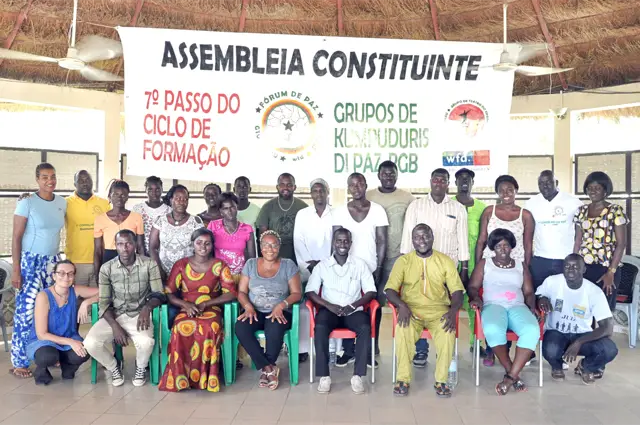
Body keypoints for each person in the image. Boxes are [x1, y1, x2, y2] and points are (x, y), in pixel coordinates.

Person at [400, 168, 468, 367]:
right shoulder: (416, 206)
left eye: (443, 180)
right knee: (418, 307)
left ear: (448, 184)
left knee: (445, 311)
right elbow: (407, 241)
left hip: (447, 272)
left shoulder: (458, 209)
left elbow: (463, 242)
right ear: (430, 182)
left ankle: (445, 353)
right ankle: (421, 350)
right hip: (419, 269)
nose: (439, 183)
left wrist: (463, 272)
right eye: (436, 179)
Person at [385, 224, 464, 397]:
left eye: (425, 236)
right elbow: (390, 290)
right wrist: (401, 306)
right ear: (412, 240)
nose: (422, 240)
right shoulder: (403, 261)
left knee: (447, 333)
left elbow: (457, 291)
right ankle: (402, 379)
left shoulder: (445, 260)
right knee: (403, 330)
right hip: (411, 311)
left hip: (439, 311)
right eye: (417, 237)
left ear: (432, 237)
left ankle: (441, 381)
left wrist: (453, 311)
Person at [158, 228, 237, 392]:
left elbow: (231, 293)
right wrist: (185, 305)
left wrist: (206, 304)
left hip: (211, 308)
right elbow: (169, 293)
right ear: (192, 244)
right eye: (199, 243)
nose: (203, 247)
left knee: (209, 327)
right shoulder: (181, 265)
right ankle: (182, 377)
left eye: (207, 243)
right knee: (180, 327)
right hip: (186, 308)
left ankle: (204, 377)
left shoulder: (219, 265)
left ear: (212, 245)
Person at [83, 230, 165, 387]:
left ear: (135, 245)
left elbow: (159, 294)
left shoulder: (149, 264)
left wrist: (147, 308)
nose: (125, 248)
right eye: (120, 244)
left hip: (139, 315)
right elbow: (104, 302)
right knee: (90, 343)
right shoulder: (107, 268)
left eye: (128, 244)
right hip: (115, 315)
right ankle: (114, 367)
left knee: (146, 342)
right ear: (115, 246)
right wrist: (115, 326)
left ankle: (140, 368)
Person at [467, 229, 540, 395]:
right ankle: (512, 372)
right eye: (498, 245)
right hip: (493, 305)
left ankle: (510, 378)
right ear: (493, 247)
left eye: (506, 245)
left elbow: (529, 292)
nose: (502, 249)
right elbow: (473, 287)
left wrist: (531, 307)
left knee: (532, 329)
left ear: (512, 246)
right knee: (492, 328)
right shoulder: (485, 263)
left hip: (517, 306)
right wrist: (475, 298)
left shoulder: (521, 265)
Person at [10, 163, 67, 378]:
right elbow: (16, 237)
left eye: (53, 176)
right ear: (37, 179)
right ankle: (20, 361)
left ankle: (49, 354)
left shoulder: (62, 202)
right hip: (30, 262)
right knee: (26, 312)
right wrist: (16, 270)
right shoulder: (27, 203)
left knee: (51, 309)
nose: (50, 181)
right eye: (44, 177)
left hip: (53, 263)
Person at [306, 228, 377, 394]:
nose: (342, 244)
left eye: (346, 241)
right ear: (333, 243)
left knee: (365, 327)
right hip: (330, 310)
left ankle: (358, 376)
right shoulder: (322, 266)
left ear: (351, 243)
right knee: (320, 327)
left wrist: (353, 305)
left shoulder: (360, 265)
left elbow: (371, 291)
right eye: (339, 241)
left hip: (353, 311)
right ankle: (324, 376)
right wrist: (328, 305)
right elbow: (310, 291)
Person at [332, 173, 388, 368]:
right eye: (352, 185)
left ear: (366, 185)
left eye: (360, 184)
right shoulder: (340, 212)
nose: (356, 188)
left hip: (371, 269)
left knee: (373, 309)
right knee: (349, 307)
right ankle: (348, 351)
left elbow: (382, 241)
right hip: (347, 270)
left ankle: (370, 351)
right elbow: (335, 241)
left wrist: (379, 268)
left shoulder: (378, 210)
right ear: (348, 188)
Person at [235, 231, 302, 390]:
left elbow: (297, 293)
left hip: (280, 312)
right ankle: (269, 368)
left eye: (274, 245)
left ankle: (267, 368)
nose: (270, 249)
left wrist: (281, 305)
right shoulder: (251, 264)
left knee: (274, 327)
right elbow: (242, 292)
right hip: (254, 311)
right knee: (241, 327)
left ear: (279, 247)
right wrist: (247, 306)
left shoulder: (288, 265)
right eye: (266, 245)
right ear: (260, 247)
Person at [537, 254, 618, 384]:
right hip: (556, 332)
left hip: (582, 334)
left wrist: (579, 342)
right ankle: (557, 366)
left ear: (583, 269)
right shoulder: (552, 282)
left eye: (575, 266)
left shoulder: (594, 291)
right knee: (550, 350)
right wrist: (542, 299)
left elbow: (607, 328)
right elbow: (539, 295)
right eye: (567, 266)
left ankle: (586, 367)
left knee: (610, 350)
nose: (571, 269)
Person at [366, 161, 415, 355]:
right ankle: (373, 345)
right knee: (375, 304)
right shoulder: (368, 196)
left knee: (405, 303)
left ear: (397, 175)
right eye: (385, 173)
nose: (388, 177)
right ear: (378, 175)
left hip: (399, 258)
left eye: (392, 173)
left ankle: (406, 348)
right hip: (373, 259)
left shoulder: (407, 198)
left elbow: (413, 227)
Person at [26, 260, 97, 385]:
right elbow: (42, 334)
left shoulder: (75, 290)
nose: (66, 277)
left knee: (83, 353)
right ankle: (41, 371)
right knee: (47, 356)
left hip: (68, 336)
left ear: (74, 276)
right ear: (54, 276)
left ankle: (67, 366)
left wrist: (87, 302)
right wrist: (71, 342)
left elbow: (104, 292)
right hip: (44, 341)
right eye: (61, 273)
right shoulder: (44, 296)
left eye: (70, 273)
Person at [573, 171, 628, 310]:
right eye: (590, 188)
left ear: (605, 190)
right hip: (584, 268)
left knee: (603, 311)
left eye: (597, 188)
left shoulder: (615, 211)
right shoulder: (581, 211)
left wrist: (611, 272)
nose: (593, 191)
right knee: (583, 309)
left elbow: (621, 244)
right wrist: (575, 266)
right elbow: (578, 241)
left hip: (606, 268)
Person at [292, 178, 333, 362]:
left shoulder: (336, 213)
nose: (319, 194)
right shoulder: (303, 214)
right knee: (304, 308)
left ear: (327, 192)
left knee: (330, 306)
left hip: (330, 269)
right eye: (315, 191)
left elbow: (337, 241)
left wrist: (325, 265)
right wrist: (310, 264)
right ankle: (302, 349)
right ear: (311, 194)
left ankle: (332, 349)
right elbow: (298, 241)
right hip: (307, 268)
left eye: (322, 190)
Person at [526, 171, 583, 289]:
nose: (545, 186)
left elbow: (580, 231)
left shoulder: (573, 202)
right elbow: (528, 231)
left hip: (565, 259)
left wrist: (576, 255)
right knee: (539, 293)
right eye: (541, 183)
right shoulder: (531, 203)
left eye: (548, 182)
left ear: (556, 182)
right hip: (540, 259)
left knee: (562, 293)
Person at [452, 168, 488, 356]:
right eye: (461, 179)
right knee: (448, 303)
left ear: (473, 183)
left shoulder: (482, 208)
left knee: (475, 302)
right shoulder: (447, 204)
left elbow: (485, 238)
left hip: (475, 262)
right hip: (451, 262)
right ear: (455, 182)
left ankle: (476, 343)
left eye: (468, 179)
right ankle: (448, 344)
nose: (464, 182)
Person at [149, 185, 204, 281]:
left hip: (188, 273)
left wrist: (193, 271)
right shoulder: (160, 221)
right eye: (178, 198)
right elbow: (153, 248)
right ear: (171, 200)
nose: (182, 202)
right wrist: (159, 271)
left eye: (185, 199)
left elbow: (201, 249)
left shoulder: (196, 221)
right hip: (163, 273)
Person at [64, 170, 110, 286]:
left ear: (93, 182)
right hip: (76, 261)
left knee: (99, 295)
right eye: (80, 180)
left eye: (87, 180)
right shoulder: (65, 203)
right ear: (74, 184)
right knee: (77, 295)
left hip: (100, 260)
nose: (85, 183)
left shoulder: (104, 203)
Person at [477, 175, 534, 266]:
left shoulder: (525, 215)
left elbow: (528, 245)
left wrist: (526, 268)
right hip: (490, 262)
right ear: (497, 193)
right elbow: (481, 241)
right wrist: (478, 266)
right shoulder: (489, 211)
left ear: (516, 191)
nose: (505, 194)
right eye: (501, 191)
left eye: (509, 190)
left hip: (516, 263)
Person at [93, 179, 145, 273]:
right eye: (115, 194)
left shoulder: (137, 217)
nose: (119, 198)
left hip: (130, 258)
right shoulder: (100, 219)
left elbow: (140, 246)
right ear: (110, 196)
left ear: (127, 197)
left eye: (123, 195)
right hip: (108, 258)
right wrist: (97, 274)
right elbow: (98, 250)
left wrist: (143, 270)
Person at [256, 173, 308, 263]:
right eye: (282, 185)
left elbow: (309, 234)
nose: (285, 188)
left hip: (299, 255)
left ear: (294, 187)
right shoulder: (268, 206)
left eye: (289, 185)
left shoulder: (303, 207)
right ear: (277, 187)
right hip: (273, 254)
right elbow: (262, 235)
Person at [208, 192, 256, 280]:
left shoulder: (247, 229)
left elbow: (251, 258)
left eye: (232, 207)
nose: (229, 211)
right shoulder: (213, 226)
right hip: (218, 275)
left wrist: (247, 279)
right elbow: (208, 254)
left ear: (237, 207)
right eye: (225, 208)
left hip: (240, 276)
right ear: (221, 211)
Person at [132, 176, 171, 255]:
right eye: (150, 189)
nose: (154, 193)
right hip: (142, 253)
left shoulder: (169, 211)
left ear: (162, 189)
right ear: (145, 190)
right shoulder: (137, 209)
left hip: (163, 255)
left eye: (157, 189)